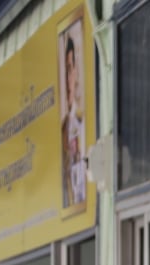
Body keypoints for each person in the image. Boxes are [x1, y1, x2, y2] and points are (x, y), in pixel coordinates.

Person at [59, 32, 86, 208]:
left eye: (70, 69)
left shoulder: (82, 121)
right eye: (65, 71)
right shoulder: (63, 129)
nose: (68, 79)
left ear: (75, 72)